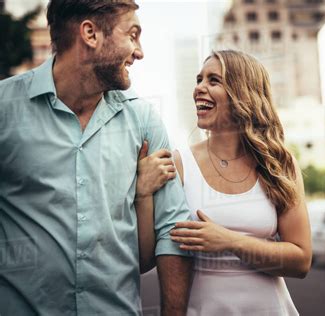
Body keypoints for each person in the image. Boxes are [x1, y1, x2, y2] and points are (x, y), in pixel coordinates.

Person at [0, 1, 192, 315]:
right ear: (90, 33)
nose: (139, 51)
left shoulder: (143, 120)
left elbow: (173, 229)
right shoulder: (4, 108)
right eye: (132, 35)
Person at [137, 50, 312, 315]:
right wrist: (142, 193)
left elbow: (301, 261)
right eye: (199, 79)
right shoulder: (180, 164)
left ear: (243, 93)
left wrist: (229, 241)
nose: (199, 88)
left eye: (213, 80)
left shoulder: (278, 163)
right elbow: (146, 258)